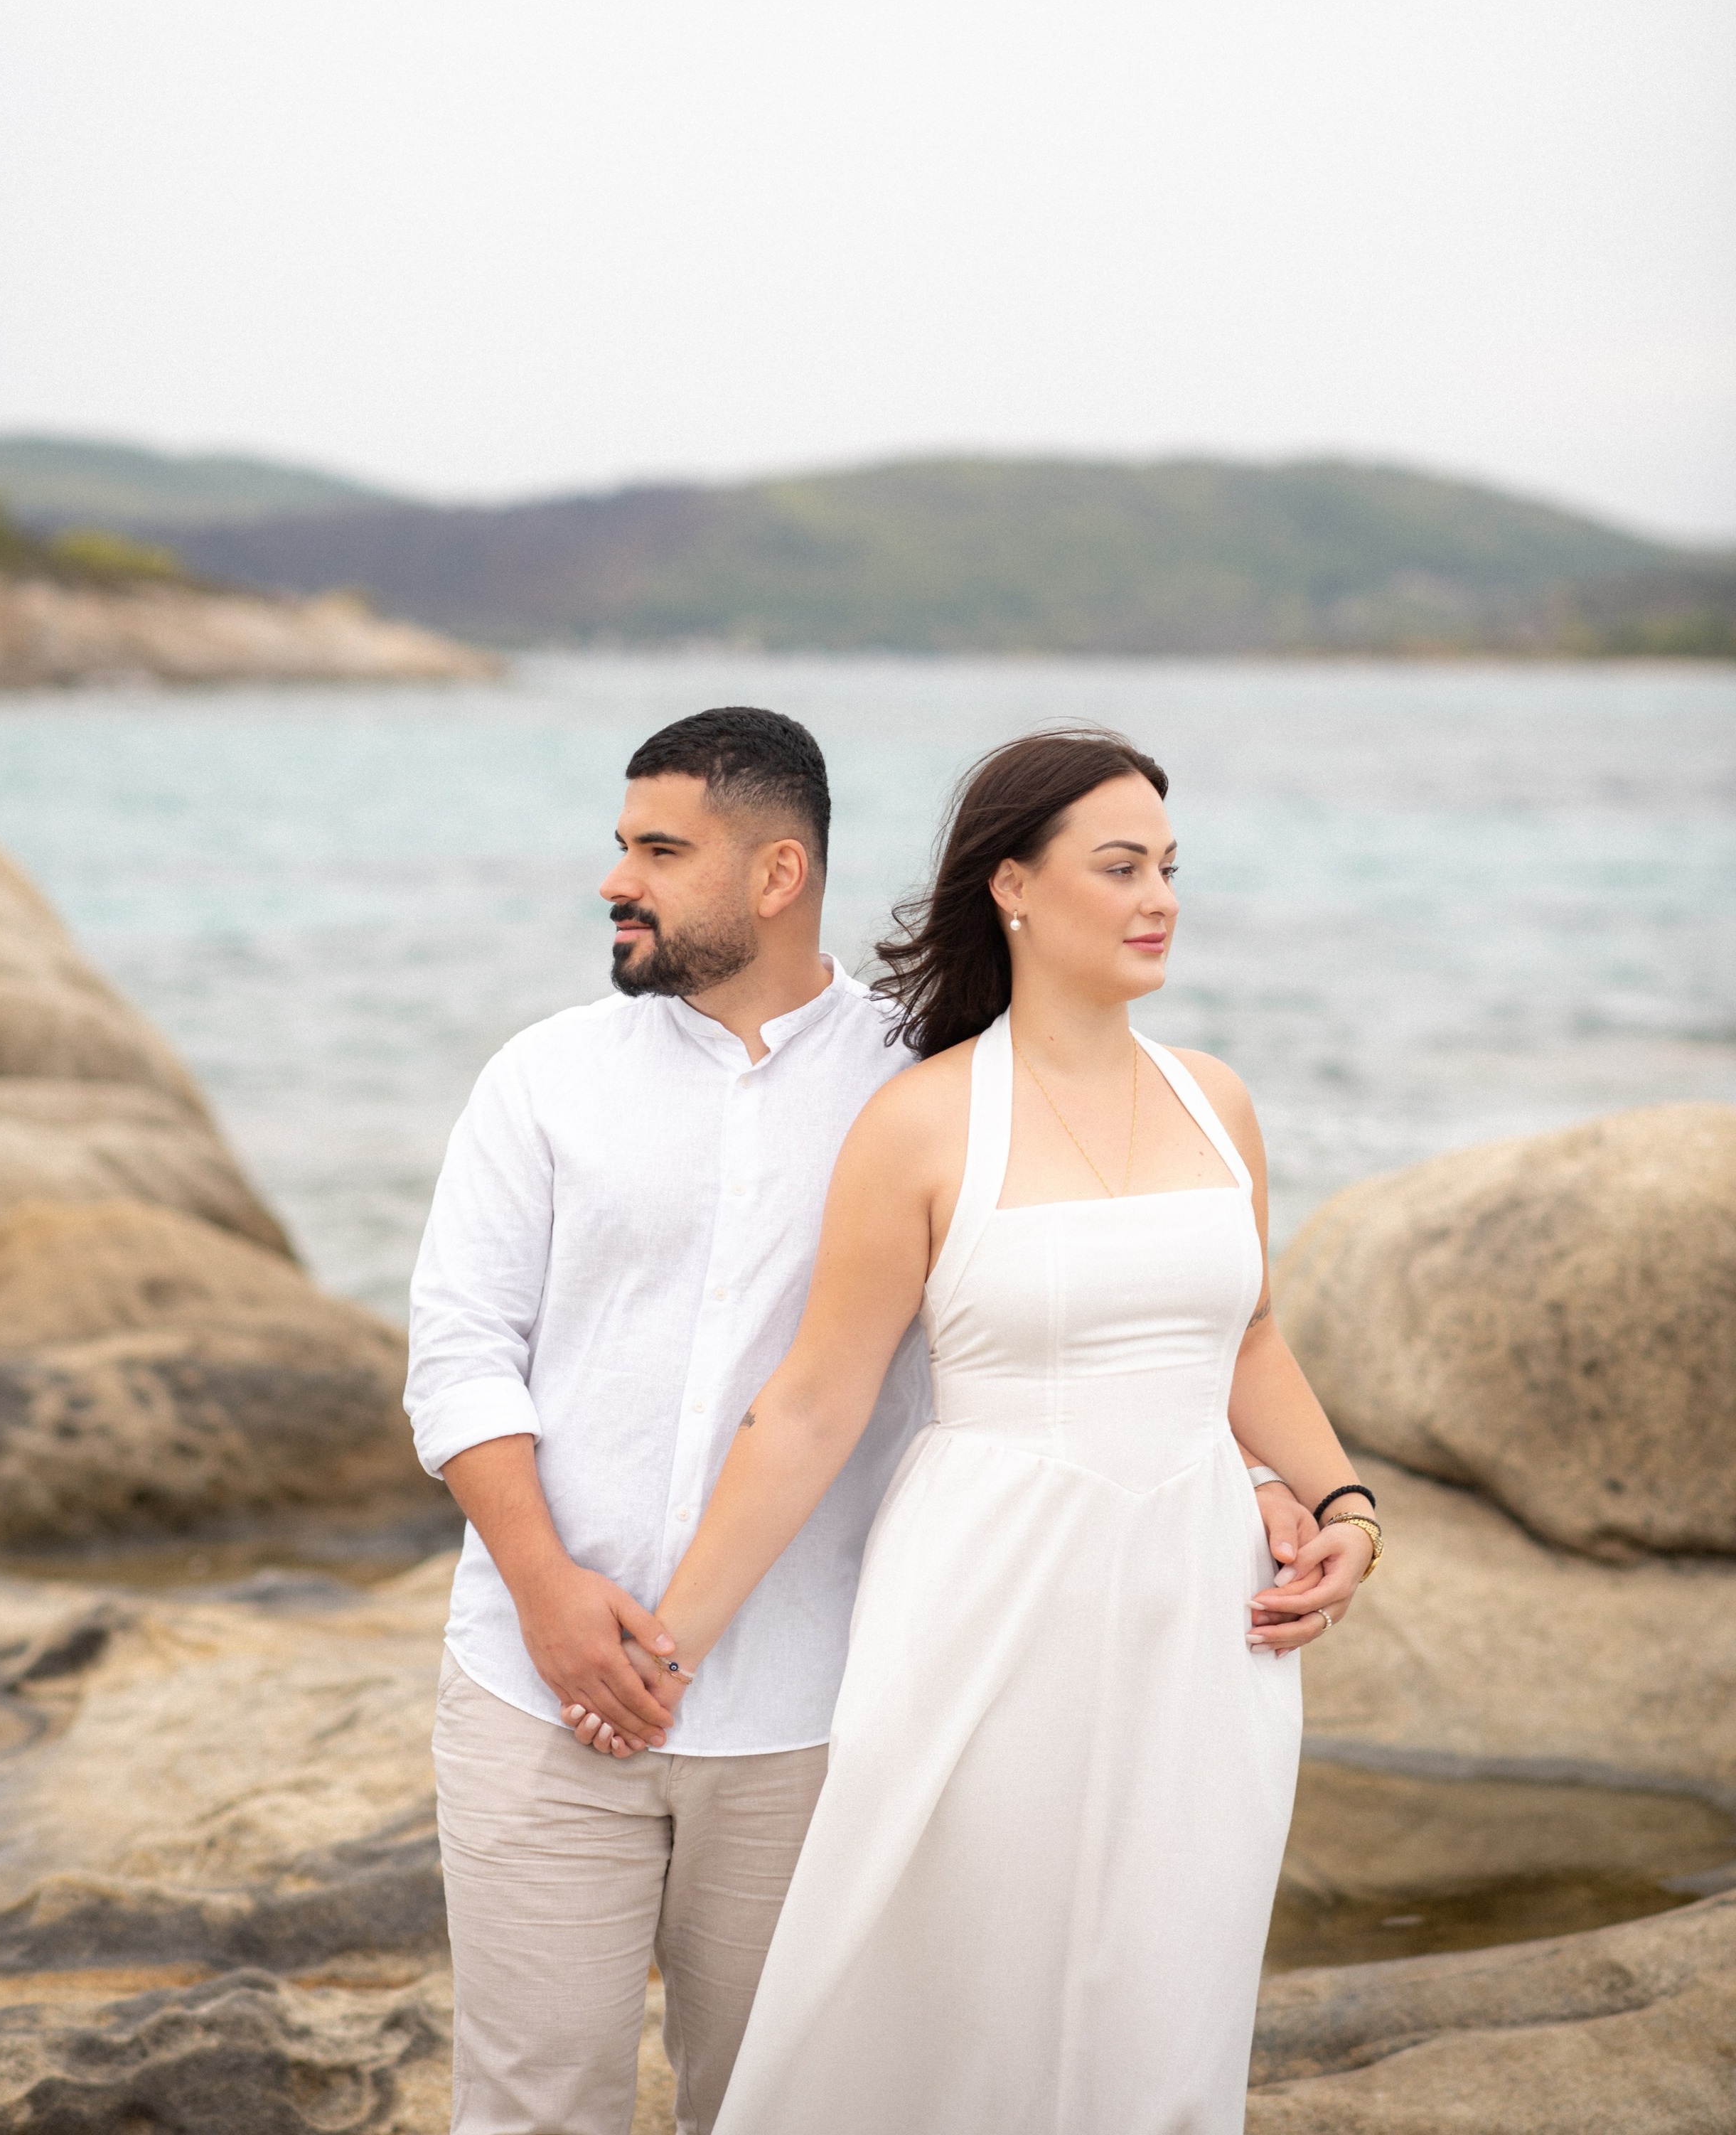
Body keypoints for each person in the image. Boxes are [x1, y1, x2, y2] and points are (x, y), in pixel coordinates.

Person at [569, 728, 1380, 2135]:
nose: (1157, 899)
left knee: (1164, 1989)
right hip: (986, 1609)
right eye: (1118, 866)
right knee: (955, 1994)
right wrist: (667, 1640)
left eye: (1168, 869)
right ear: (1009, 885)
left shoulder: (1217, 1102)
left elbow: (1244, 1339)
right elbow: (814, 1402)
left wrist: (1346, 1504)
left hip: (1199, 1621)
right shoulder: (920, 1123)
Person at [403, 706, 936, 2135]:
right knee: (528, 2108)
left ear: (776, 875)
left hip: (804, 1712)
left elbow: (1038, 1327)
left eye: (656, 848)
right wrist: (546, 1592)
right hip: (532, 1693)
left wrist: (1264, 1476)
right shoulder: (542, 1076)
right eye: (618, 842)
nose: (612, 879)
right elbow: (460, 1352)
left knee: (772, 2107)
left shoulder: (927, 1086)